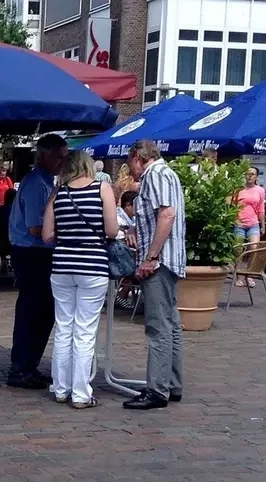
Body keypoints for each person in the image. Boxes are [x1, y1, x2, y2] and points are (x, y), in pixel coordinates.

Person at [42, 150, 118, 408]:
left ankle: (60, 389)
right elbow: (111, 229)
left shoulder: (57, 194)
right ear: (88, 166)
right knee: (85, 331)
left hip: (62, 265)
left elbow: (47, 236)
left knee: (63, 328)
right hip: (93, 265)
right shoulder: (102, 189)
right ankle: (81, 393)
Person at [122, 140, 186, 411]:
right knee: (170, 323)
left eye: (130, 163)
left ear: (138, 157)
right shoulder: (166, 174)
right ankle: (171, 384)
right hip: (168, 259)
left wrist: (152, 256)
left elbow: (166, 215)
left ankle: (157, 389)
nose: (131, 171)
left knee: (158, 325)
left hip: (160, 262)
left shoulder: (156, 175)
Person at [7, 133, 68, 389]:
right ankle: (21, 368)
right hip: (32, 253)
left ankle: (29, 365)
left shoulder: (47, 183)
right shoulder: (36, 184)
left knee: (44, 313)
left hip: (40, 252)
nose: (63, 161)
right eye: (59, 156)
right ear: (44, 155)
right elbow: (35, 228)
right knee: (32, 312)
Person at [233, 167, 266, 287]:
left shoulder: (260, 190)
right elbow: (232, 206)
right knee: (238, 250)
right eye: (248, 174)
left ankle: (249, 275)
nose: (250, 176)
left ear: (257, 176)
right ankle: (238, 276)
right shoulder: (238, 189)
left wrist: (263, 225)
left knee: (254, 248)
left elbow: (261, 209)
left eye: (252, 174)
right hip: (239, 223)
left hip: (253, 223)